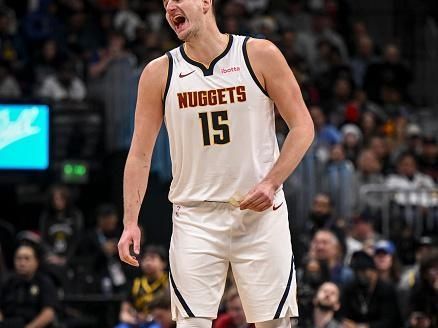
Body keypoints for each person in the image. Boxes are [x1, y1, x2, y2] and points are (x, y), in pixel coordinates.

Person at [118, 1, 315, 328]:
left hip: (259, 215)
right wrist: (129, 221)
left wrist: (272, 182)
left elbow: (303, 127)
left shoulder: (258, 54)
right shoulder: (159, 73)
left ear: (206, 2)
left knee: (275, 324)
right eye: (165, 2)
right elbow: (139, 154)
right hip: (194, 217)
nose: (170, 7)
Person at [0, 242, 59, 328]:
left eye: (27, 259)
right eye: (18, 258)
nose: (22, 263)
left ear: (36, 262)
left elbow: (49, 313)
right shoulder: (7, 281)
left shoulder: (44, 282)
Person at [340, 251, 402, 328]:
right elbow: (343, 315)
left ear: (374, 271)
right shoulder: (351, 288)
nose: (361, 275)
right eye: (358, 271)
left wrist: (363, 327)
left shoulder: (386, 289)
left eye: (364, 271)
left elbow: (390, 320)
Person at [116, 245, 169, 328]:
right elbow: (124, 313)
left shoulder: (170, 283)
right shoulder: (136, 283)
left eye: (152, 258)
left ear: (163, 263)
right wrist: (134, 320)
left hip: (159, 323)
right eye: (145, 259)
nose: (148, 262)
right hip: (137, 322)